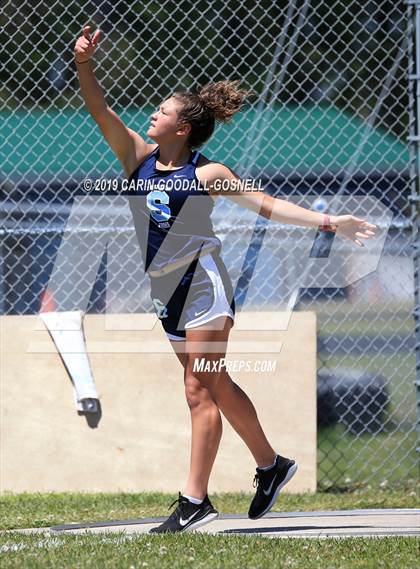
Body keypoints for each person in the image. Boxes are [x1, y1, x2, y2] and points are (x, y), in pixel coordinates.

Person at [74, 26, 377, 533]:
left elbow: (267, 205)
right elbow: (99, 109)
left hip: (202, 285)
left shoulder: (208, 173)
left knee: (202, 385)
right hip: (164, 292)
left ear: (184, 128)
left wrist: (331, 222)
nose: (153, 114)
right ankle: (270, 464)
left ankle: (195, 501)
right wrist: (84, 63)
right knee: (205, 387)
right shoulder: (136, 159)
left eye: (164, 111)